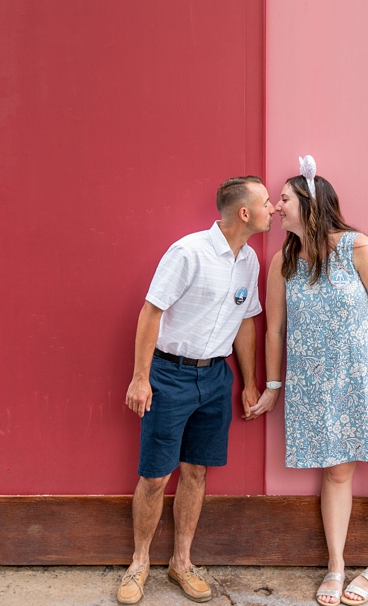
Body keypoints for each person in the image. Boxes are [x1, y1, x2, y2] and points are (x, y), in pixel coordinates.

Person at [250, 157, 368, 606]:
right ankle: (335, 565)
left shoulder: (358, 247)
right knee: (335, 472)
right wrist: (273, 388)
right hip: (318, 386)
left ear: (310, 204)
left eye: (285, 199)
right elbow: (274, 330)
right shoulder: (281, 263)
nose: (276, 207)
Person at [119, 176, 273, 605]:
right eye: (265, 203)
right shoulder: (188, 252)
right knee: (154, 476)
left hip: (215, 379)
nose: (272, 209)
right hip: (169, 376)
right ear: (245, 213)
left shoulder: (250, 261)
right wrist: (140, 377)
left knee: (197, 472)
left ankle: (181, 563)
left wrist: (249, 382)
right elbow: (151, 313)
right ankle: (139, 563)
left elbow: (246, 321)